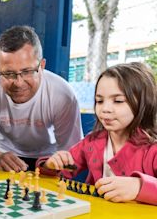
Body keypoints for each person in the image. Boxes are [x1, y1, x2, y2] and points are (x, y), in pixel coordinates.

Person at [39, 62, 157, 205]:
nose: (105, 109)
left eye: (118, 101)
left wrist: (139, 186)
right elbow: (65, 170)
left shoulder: (152, 148)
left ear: (144, 103)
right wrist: (51, 165)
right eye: (99, 101)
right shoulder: (91, 142)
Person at [0, 25, 83, 172]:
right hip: (0, 154)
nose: (18, 82)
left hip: (47, 159)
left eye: (27, 71)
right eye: (9, 74)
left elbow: (71, 153)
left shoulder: (63, 94)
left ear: (42, 66)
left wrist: (50, 166)